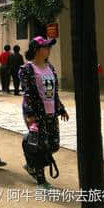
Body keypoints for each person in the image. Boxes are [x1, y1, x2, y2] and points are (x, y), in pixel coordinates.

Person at [20, 36, 69, 190]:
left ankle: (28, 151)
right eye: (45, 47)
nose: (48, 49)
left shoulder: (51, 68)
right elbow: (27, 93)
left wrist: (61, 108)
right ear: (36, 50)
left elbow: (53, 92)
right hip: (36, 113)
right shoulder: (27, 69)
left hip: (51, 112)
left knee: (53, 145)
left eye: (49, 47)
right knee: (41, 147)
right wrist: (30, 115)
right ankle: (41, 180)